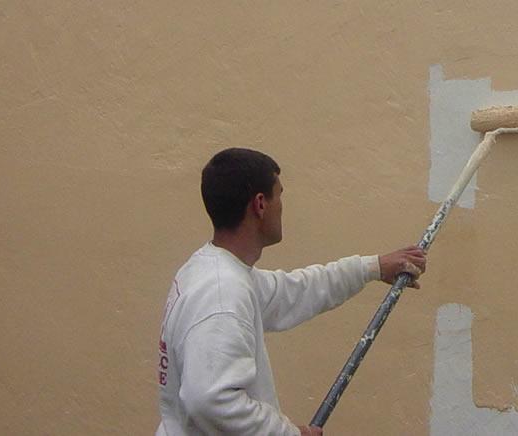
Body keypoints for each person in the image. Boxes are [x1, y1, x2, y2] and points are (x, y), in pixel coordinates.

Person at [156, 148, 426, 435]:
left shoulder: (214, 270)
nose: (282, 206)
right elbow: (210, 400)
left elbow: (294, 291)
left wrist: (373, 267)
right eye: (279, 194)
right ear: (260, 204)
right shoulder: (223, 294)